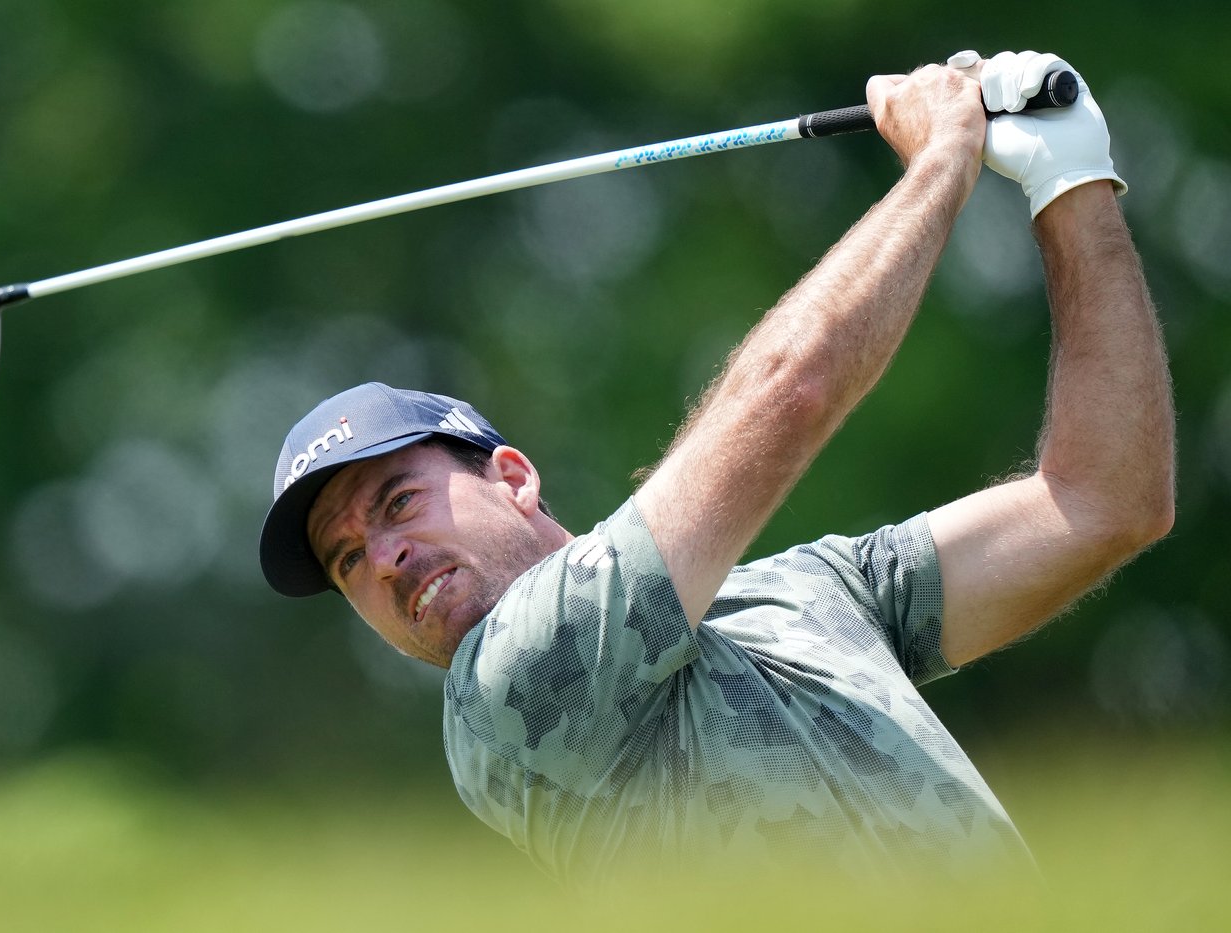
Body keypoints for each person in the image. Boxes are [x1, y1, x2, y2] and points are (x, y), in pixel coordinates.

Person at [258, 50, 1175, 884]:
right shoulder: (509, 685)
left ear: (513, 475)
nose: (382, 559)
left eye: (397, 501)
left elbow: (1103, 503)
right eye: (346, 560)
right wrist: (942, 159)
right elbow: (792, 391)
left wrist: (1071, 178)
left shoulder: (815, 590)